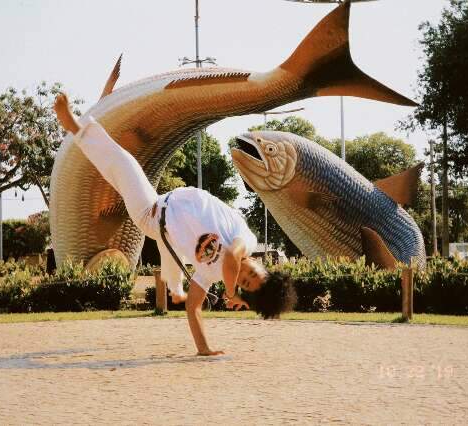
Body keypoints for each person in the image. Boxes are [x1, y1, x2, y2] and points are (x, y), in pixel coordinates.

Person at [54, 94, 296, 356]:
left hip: (152, 216)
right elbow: (231, 258)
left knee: (123, 163)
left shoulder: (210, 274)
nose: (245, 275)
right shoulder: (245, 240)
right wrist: (231, 291)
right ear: (263, 267)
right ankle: (175, 287)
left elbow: (194, 308)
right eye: (254, 274)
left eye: (246, 283)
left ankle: (75, 127)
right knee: (168, 247)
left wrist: (204, 348)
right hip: (163, 209)